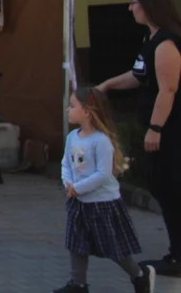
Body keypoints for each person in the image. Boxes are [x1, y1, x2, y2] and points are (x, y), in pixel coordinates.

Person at [98, 0, 181, 277]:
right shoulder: (151, 40)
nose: (129, 8)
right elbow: (139, 76)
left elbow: (167, 90)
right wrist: (107, 85)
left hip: (171, 133)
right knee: (162, 187)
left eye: (133, 2)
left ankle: (178, 257)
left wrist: (156, 128)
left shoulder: (167, 43)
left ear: (148, 7)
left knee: (170, 188)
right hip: (161, 130)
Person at [54, 87, 155, 293]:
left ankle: (140, 275)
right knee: (76, 244)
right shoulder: (73, 136)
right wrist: (68, 183)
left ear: (88, 111)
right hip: (79, 203)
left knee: (114, 248)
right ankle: (78, 284)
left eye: (72, 106)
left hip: (102, 205)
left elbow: (103, 174)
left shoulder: (101, 142)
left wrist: (78, 188)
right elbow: (66, 163)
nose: (68, 110)